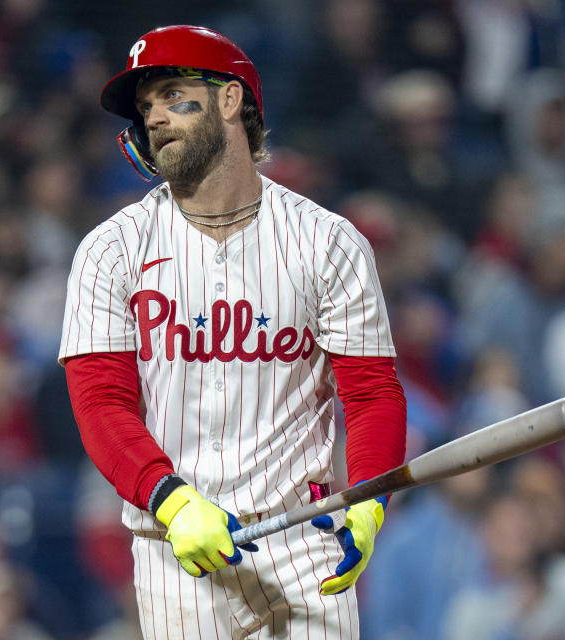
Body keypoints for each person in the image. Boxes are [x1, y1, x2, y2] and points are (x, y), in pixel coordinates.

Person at [58, 25, 406, 639]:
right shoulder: (111, 250)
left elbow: (372, 394)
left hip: (306, 538)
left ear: (230, 99)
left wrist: (371, 498)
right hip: (178, 548)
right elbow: (100, 404)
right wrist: (169, 498)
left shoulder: (328, 242)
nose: (155, 117)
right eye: (146, 108)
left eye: (171, 94)